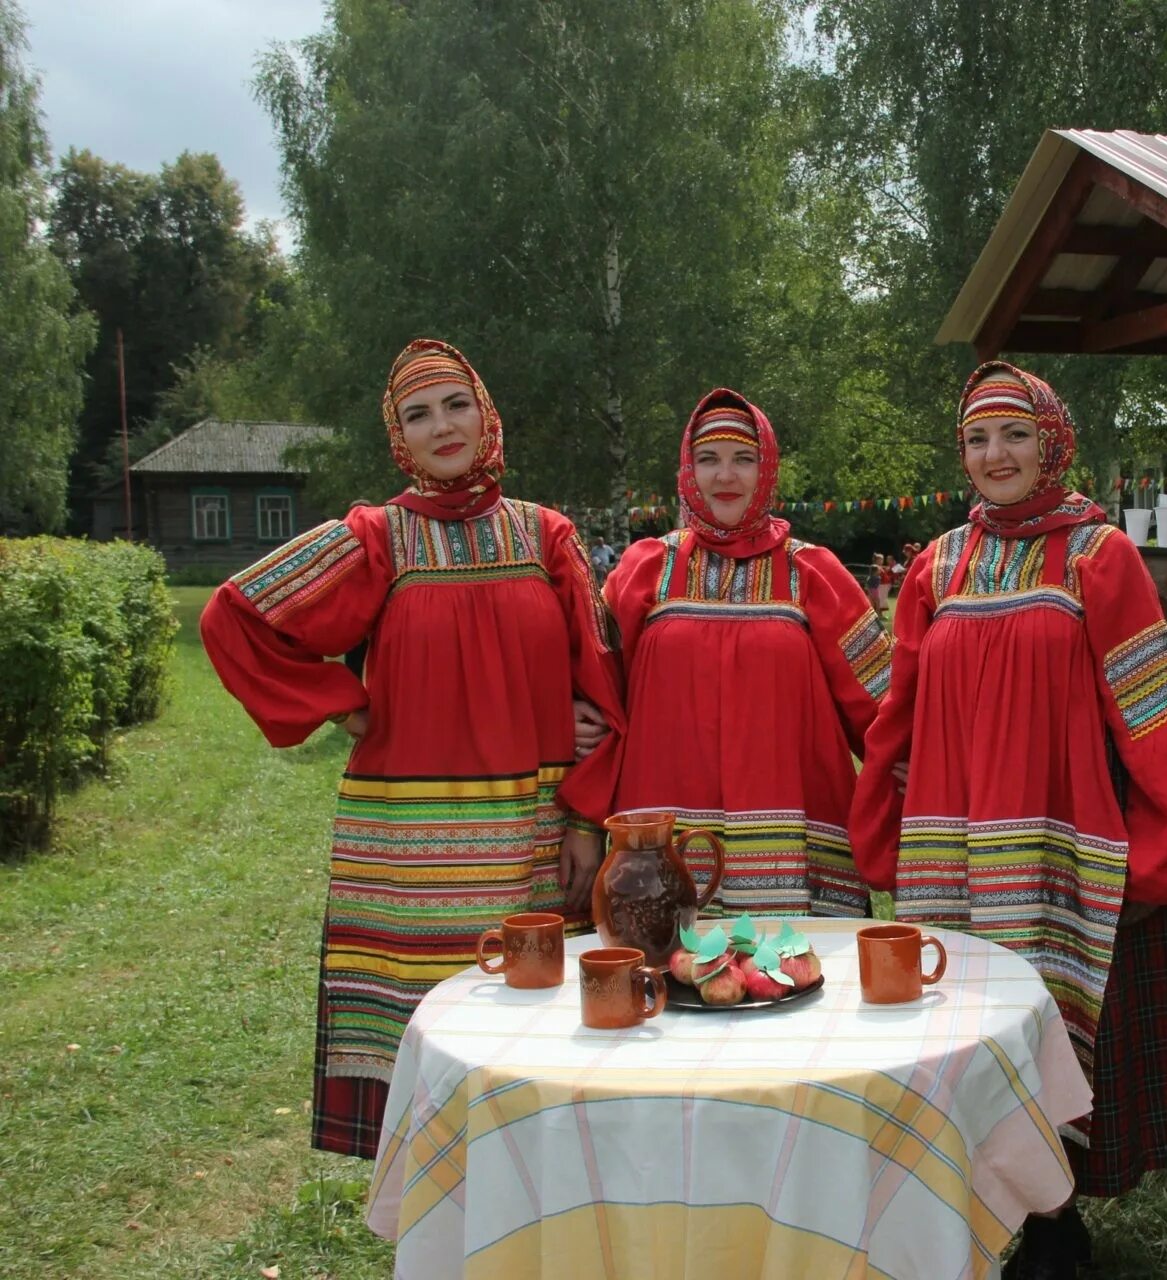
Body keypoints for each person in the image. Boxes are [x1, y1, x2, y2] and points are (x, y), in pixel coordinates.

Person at [201, 339, 625, 1158]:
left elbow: (606, 691)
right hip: (408, 858)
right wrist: (342, 704)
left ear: (487, 413)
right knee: (436, 1059)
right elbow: (234, 617)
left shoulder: (547, 537)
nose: (443, 427)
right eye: (418, 415)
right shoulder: (374, 538)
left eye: (456, 405)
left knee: (536, 1051)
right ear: (399, 437)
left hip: (532, 843)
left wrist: (585, 821)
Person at [849, 362, 1167, 1278]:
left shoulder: (1100, 556)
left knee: (1055, 1031)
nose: (994, 454)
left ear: (1051, 442)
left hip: (1063, 841)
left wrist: (1160, 853)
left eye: (1013, 434)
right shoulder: (938, 563)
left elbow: (1152, 709)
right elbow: (897, 710)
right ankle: (969, 1220)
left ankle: (1055, 1229)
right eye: (977, 438)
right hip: (950, 845)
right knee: (956, 1031)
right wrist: (880, 830)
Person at [582, 389, 891, 917]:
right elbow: (597, 687)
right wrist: (574, 717)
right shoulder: (644, 568)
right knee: (664, 984)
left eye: (742, 459)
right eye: (709, 460)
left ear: (766, 467)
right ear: (688, 470)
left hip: (795, 845)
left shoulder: (813, 573)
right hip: (664, 847)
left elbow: (881, 703)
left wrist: (923, 759)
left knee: (797, 986)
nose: (725, 476)